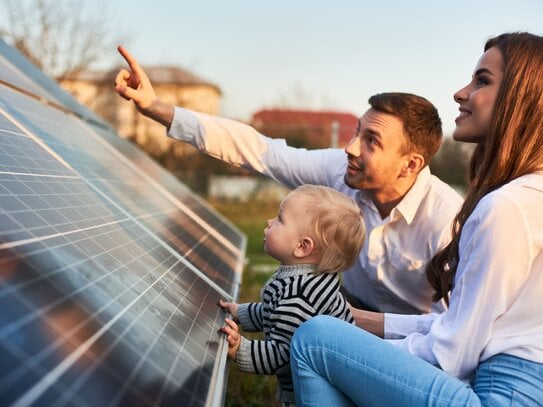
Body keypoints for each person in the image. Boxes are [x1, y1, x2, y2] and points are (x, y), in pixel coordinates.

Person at [114, 46, 463, 324]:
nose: (351, 147)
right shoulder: (341, 171)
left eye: (372, 140)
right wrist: (156, 108)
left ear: (411, 164)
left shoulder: (447, 220)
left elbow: (455, 328)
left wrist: (348, 321)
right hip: (349, 313)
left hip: (417, 342)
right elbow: (262, 152)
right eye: (358, 130)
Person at [289, 32, 543, 406]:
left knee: (314, 340)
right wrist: (353, 321)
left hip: (499, 396)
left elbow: (452, 354)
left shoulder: (506, 207)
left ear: (521, 100)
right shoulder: (529, 197)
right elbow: (460, 323)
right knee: (332, 332)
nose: (461, 92)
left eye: (482, 80)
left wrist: (357, 358)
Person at [218, 184, 364, 405]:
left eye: (279, 219)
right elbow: (273, 311)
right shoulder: (307, 278)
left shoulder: (299, 297)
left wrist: (241, 349)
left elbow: (283, 354)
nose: (269, 222)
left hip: (313, 392)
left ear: (302, 247)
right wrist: (241, 312)